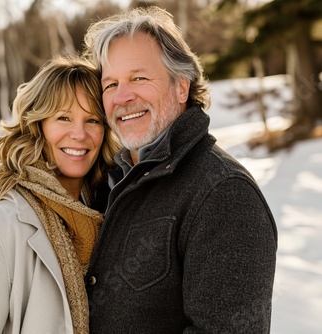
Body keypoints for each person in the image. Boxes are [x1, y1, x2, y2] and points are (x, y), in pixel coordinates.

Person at [82, 6, 277, 333]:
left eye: (139, 78)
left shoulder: (223, 193)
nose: (123, 96)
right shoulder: (107, 182)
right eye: (110, 84)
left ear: (182, 86)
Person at [0, 55, 120, 334]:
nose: (79, 134)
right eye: (63, 118)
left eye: (93, 120)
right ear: (38, 125)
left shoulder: (111, 214)